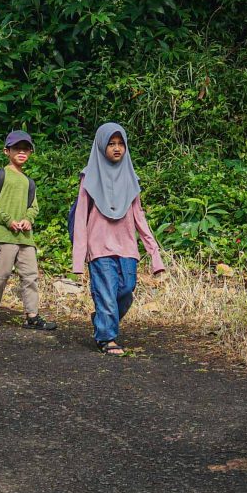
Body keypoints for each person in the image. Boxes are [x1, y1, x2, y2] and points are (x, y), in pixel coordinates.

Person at [69, 122, 163, 355]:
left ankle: (102, 320)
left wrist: (154, 254)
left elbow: (139, 216)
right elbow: (80, 216)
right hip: (99, 246)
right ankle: (107, 338)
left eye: (121, 143)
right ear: (101, 146)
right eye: (111, 143)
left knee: (126, 290)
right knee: (106, 293)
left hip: (127, 246)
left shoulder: (131, 178)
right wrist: (78, 258)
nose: (117, 148)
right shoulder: (89, 177)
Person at [0, 129, 49, 330]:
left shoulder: (29, 182)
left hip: (25, 237)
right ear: (6, 151)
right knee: (0, 275)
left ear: (31, 152)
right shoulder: (0, 175)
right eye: (17, 148)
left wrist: (28, 219)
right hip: (3, 235)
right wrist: (7, 220)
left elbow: (34, 207)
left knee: (30, 276)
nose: (22, 152)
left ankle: (32, 315)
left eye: (26, 149)